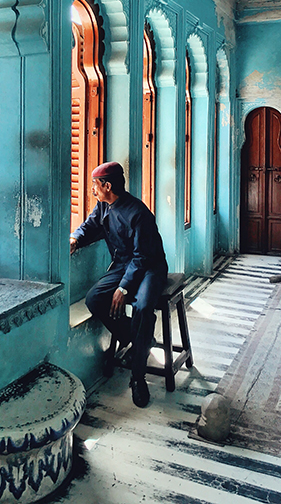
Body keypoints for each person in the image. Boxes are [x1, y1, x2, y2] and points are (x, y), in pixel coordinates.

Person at [70, 161, 168, 408]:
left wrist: (123, 288)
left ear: (107, 185)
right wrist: (75, 239)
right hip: (125, 264)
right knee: (94, 299)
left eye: (95, 184)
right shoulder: (104, 206)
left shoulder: (138, 213)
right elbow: (89, 226)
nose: (93, 189)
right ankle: (136, 338)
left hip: (149, 267)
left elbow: (143, 257)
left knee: (143, 308)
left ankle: (138, 378)